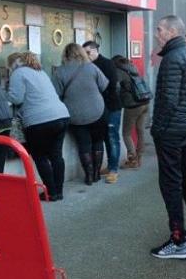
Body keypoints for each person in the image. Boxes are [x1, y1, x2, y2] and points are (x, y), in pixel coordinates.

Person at [150, 15, 186, 260]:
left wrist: (158, 128)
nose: (156, 33)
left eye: (159, 29)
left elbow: (168, 101)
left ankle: (178, 241)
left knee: (171, 184)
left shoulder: (173, 58)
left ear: (173, 31)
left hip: (171, 132)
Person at [7, 52, 70, 202]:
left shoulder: (18, 73)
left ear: (13, 64)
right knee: (56, 155)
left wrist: (4, 94)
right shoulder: (40, 72)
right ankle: (59, 191)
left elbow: (16, 98)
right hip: (61, 115)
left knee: (40, 156)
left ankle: (51, 192)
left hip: (39, 120)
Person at [53, 43, 108, 186]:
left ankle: (88, 176)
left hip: (75, 114)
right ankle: (96, 173)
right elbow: (104, 85)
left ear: (65, 54)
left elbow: (56, 94)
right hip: (98, 110)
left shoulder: (59, 72)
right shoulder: (91, 67)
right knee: (98, 142)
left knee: (84, 145)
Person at [83, 41, 122, 184]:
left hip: (111, 107)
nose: (86, 56)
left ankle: (113, 170)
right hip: (98, 109)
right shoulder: (87, 66)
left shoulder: (107, 63)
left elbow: (113, 86)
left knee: (112, 138)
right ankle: (110, 165)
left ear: (95, 50)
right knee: (104, 137)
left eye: (88, 52)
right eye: (84, 53)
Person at [113, 55, 150, 169]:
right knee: (140, 131)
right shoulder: (132, 67)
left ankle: (132, 160)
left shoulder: (118, 71)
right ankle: (139, 158)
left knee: (126, 133)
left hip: (133, 105)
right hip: (145, 102)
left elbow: (116, 88)